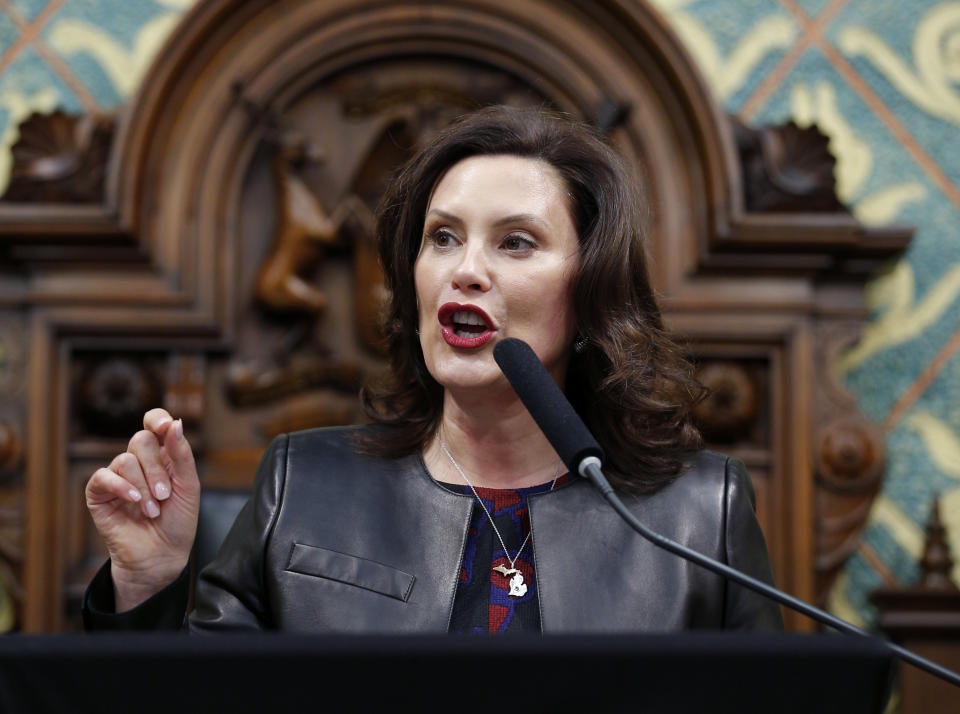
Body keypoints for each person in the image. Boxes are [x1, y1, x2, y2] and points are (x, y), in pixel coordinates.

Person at [83, 106, 782, 633]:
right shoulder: (303, 483)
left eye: (515, 243)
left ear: (589, 290)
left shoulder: (697, 516)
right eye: (442, 237)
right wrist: (146, 584)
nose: (465, 270)